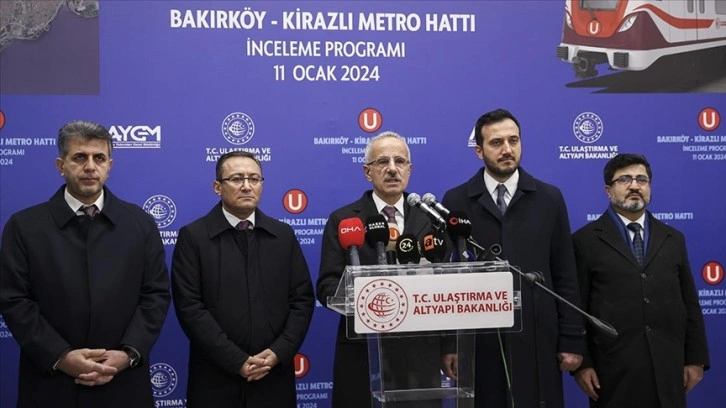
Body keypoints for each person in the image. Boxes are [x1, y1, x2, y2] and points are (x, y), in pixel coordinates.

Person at [0, 120, 170, 407]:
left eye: (99, 158)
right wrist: (60, 356)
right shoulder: (24, 226)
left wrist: (128, 353)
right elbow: (14, 300)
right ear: (60, 165)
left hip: (122, 383)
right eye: (80, 157)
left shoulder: (140, 223)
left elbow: (155, 295)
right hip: (51, 384)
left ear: (110, 166)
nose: (90, 166)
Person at [441, 108, 585, 407]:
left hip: (538, 340)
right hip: (479, 342)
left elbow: (565, 273)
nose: (507, 149)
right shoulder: (456, 200)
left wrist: (571, 338)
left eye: (513, 140)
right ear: (479, 150)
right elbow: (447, 280)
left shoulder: (549, 198)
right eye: (496, 143)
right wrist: (450, 343)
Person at [171, 151, 315, 407]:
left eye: (254, 179)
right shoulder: (194, 237)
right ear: (217, 187)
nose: (247, 186)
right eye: (237, 179)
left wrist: (278, 352)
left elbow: (302, 300)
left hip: (273, 377)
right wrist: (235, 360)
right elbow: (190, 308)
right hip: (215, 379)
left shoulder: (282, 235)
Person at [572, 153, 709, 407]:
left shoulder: (673, 239)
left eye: (641, 180)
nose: (635, 185)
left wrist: (696, 358)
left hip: (668, 368)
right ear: (608, 190)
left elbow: (689, 302)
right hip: (612, 371)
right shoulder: (584, 241)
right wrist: (583, 364)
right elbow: (577, 308)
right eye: (625, 179)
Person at [316, 131, 441, 408]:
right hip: (363, 352)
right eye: (383, 162)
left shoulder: (431, 218)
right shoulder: (343, 219)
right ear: (367, 172)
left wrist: (449, 347)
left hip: (420, 354)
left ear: (409, 169)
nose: (392, 169)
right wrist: (370, 298)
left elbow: (446, 283)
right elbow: (326, 287)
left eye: (400, 161)